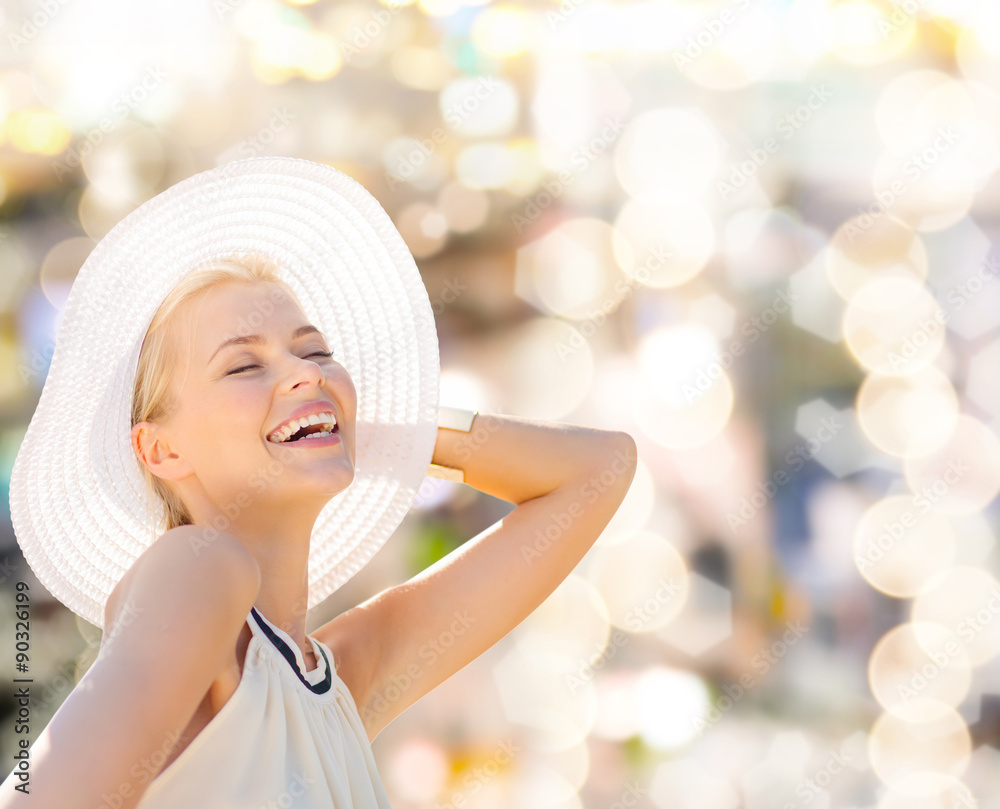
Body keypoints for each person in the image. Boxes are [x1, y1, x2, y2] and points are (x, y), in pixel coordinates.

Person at [0, 157, 637, 808]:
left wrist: (360, 423)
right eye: (243, 364)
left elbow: (596, 470)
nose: (303, 373)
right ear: (159, 448)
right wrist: (319, 413)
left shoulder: (339, 681)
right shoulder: (196, 566)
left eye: (314, 351)